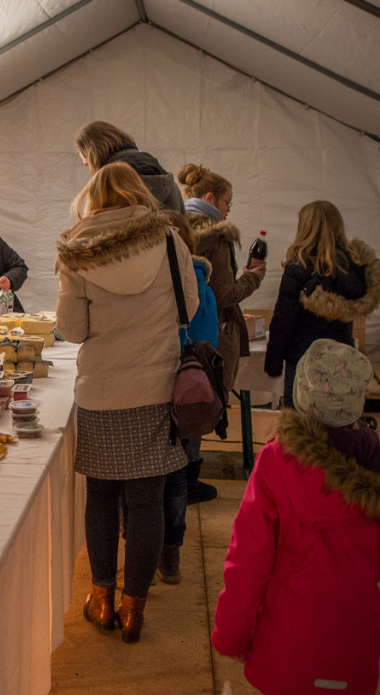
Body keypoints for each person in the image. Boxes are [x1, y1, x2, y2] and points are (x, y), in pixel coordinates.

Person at [212, 339, 380, 695]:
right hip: (353, 629)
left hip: (293, 636)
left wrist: (231, 633)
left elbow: (249, 558)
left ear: (303, 395)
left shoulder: (279, 462)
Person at [56, 162, 198, 643]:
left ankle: (101, 600)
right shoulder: (168, 241)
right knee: (147, 501)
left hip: (101, 391)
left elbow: (72, 330)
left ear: (92, 200)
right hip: (156, 387)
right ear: (138, 195)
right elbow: (190, 307)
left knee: (101, 497)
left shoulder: (76, 253)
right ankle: (134, 609)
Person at [177, 162, 266, 502]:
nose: (230, 209)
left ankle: (181, 478)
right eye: (229, 202)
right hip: (212, 333)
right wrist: (253, 279)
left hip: (180, 331)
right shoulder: (217, 234)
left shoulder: (176, 228)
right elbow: (225, 294)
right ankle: (189, 480)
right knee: (203, 400)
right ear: (211, 197)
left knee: (183, 400)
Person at [264, 201, 380, 407]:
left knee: (299, 424)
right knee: (337, 417)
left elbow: (284, 319)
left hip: (303, 359)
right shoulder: (356, 267)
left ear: (305, 229)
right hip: (341, 356)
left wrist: (273, 361)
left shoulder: (299, 267)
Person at [156, 210, 218, 584]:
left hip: (160, 385)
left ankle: (145, 552)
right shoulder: (203, 285)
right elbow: (206, 341)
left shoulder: (161, 282)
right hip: (191, 391)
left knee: (151, 476)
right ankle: (171, 556)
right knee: (179, 471)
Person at [75, 120, 184, 212]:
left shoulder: (108, 187)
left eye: (88, 163)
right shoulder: (168, 182)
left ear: (93, 155)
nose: (91, 169)